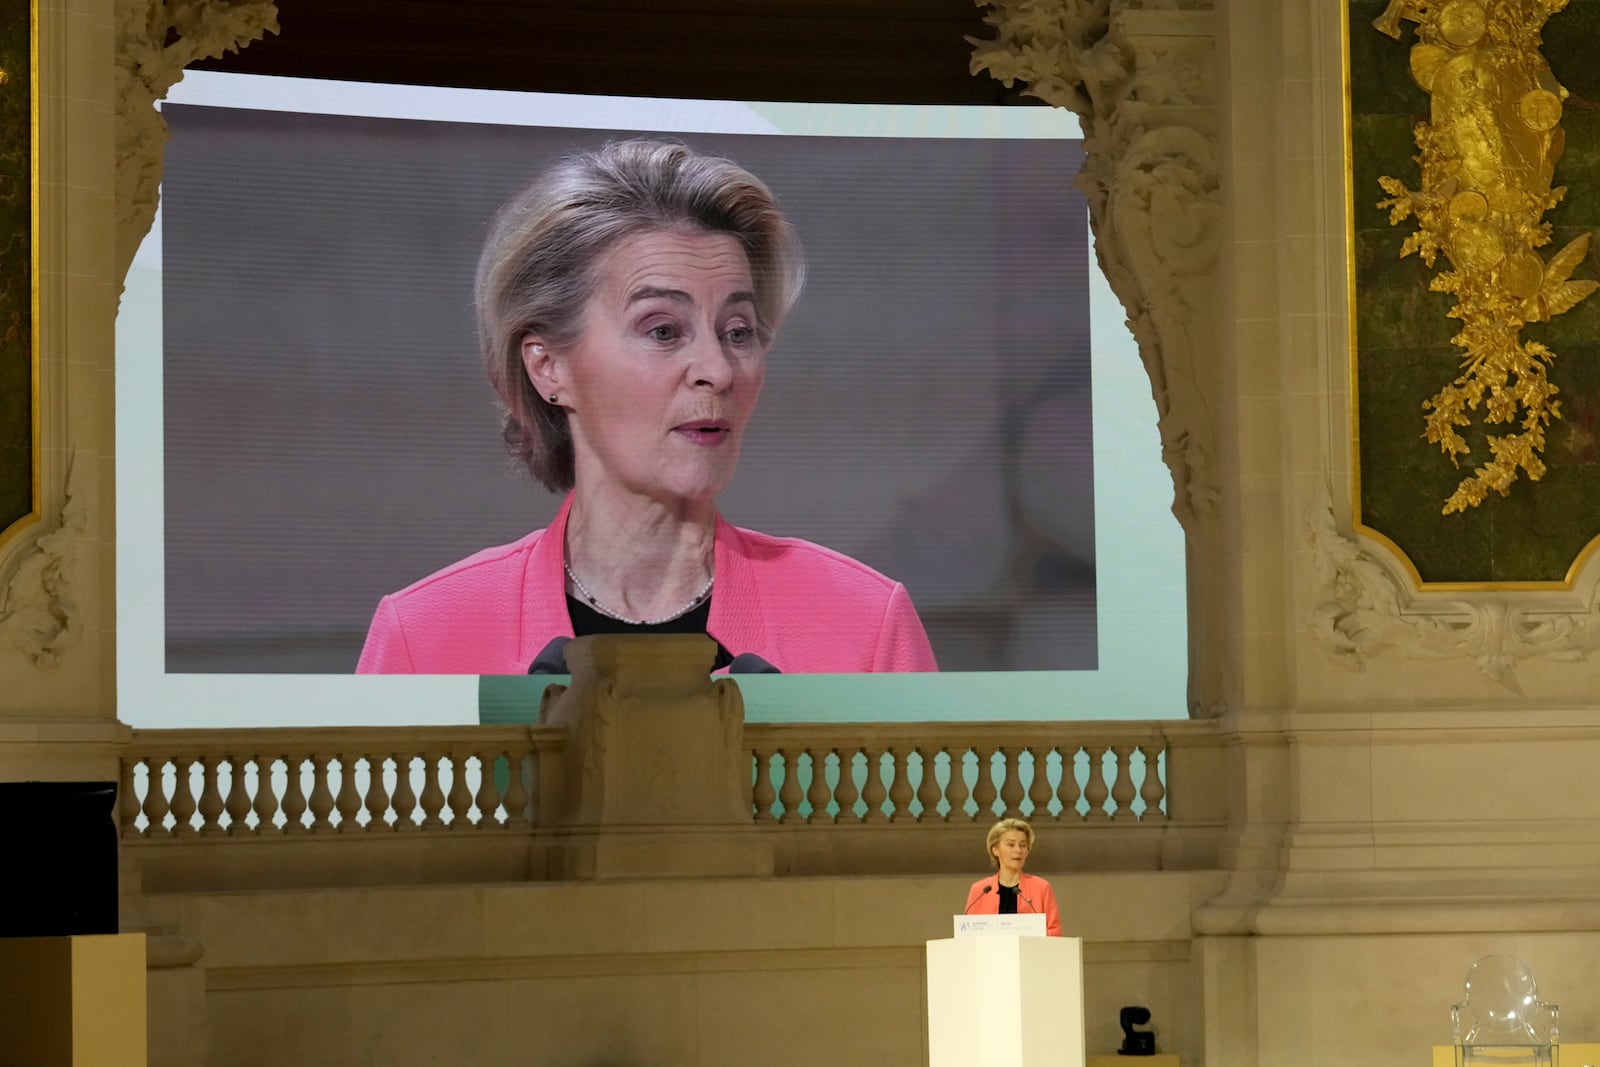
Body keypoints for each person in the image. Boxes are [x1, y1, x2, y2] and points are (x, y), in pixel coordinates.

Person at [357, 139, 937, 675]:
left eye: (737, 331)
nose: (716, 368)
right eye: (662, 330)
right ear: (547, 367)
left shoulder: (864, 625)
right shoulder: (423, 638)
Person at [963, 817, 1061, 936]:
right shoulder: (980, 890)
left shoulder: (1041, 888)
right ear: (995, 850)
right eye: (1011, 845)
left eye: (1023, 845)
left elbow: (1054, 932)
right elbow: (967, 934)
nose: (1018, 850)